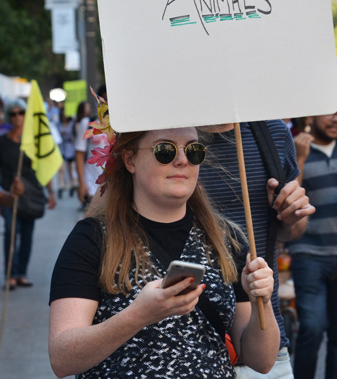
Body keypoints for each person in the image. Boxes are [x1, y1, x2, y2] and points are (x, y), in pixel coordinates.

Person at [49, 123, 280, 378]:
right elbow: (62, 358)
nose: (182, 160)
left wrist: (263, 301)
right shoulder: (92, 238)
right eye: (165, 150)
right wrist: (137, 316)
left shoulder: (227, 239)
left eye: (193, 151)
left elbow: (262, 360)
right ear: (130, 159)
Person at [199, 121, 314, 379]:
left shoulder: (272, 132)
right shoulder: (165, 137)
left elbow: (290, 231)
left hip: (265, 344)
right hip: (187, 350)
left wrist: (291, 214)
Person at [289, 111, 337, 379]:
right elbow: (289, 204)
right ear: (309, 117)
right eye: (328, 114)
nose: (336, 120)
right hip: (309, 255)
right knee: (312, 328)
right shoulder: (295, 150)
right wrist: (300, 159)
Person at [0, 99, 56, 289]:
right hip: (10, 194)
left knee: (27, 234)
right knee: (10, 231)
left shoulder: (33, 142)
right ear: (9, 116)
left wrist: (51, 192)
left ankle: (22, 272)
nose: (17, 117)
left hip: (31, 194)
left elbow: (43, 167)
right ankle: (10, 275)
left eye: (21, 113)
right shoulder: (3, 142)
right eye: (13, 113)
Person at [57, 110, 77, 198]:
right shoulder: (58, 124)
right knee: (61, 169)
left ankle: (72, 185)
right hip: (61, 147)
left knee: (70, 168)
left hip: (70, 147)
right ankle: (60, 186)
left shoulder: (72, 124)